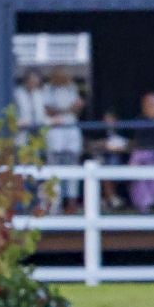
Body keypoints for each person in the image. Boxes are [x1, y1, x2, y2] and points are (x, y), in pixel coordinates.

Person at [42, 69, 86, 207]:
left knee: (72, 169)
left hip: (71, 134)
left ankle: (71, 203)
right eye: (61, 76)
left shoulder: (72, 88)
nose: (65, 79)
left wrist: (66, 110)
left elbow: (78, 107)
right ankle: (55, 204)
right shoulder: (47, 89)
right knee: (54, 171)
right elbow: (48, 110)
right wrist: (67, 110)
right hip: (55, 135)